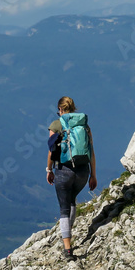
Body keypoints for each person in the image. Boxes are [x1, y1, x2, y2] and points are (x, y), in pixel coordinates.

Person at [46, 96, 97, 260]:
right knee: (72, 200)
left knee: (64, 209)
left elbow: (51, 151)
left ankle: (68, 249)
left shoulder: (56, 125)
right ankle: (69, 230)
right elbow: (91, 151)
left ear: (60, 109)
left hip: (64, 171)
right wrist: (93, 175)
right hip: (83, 171)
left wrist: (49, 170)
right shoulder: (84, 125)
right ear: (73, 108)